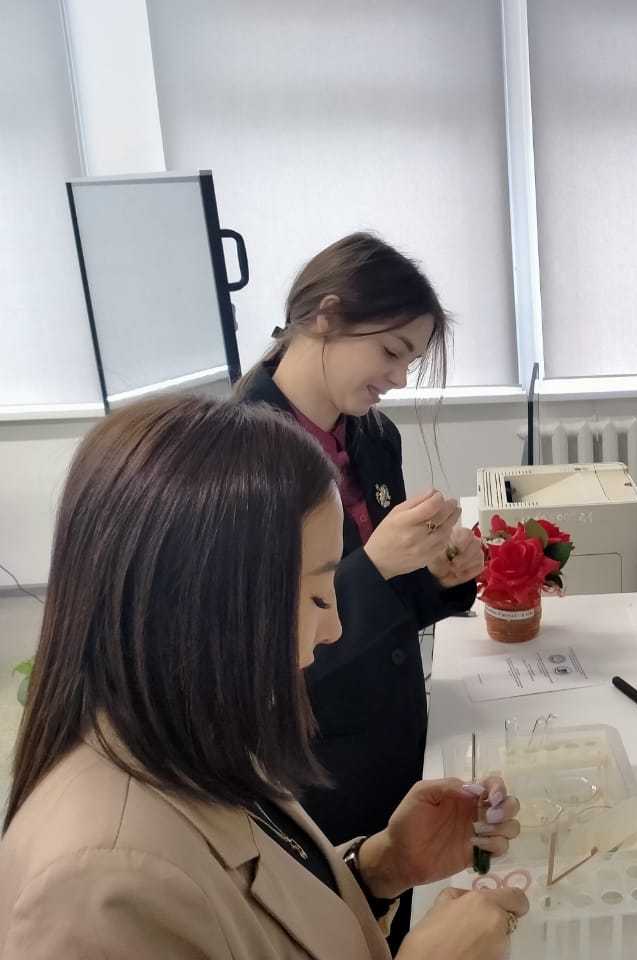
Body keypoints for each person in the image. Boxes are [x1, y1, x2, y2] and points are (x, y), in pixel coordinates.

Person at [0, 395, 525, 960]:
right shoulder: (96, 886)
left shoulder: (190, 735)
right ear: (206, 604)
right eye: (319, 594)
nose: (334, 629)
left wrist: (380, 867)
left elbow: (251, 917)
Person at [236, 233, 484, 947]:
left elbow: (390, 598)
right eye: (391, 352)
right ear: (327, 317)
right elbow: (261, 649)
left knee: (394, 900)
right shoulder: (241, 455)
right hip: (315, 756)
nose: (398, 378)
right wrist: (375, 564)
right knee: (333, 926)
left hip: (393, 722)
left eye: (410, 360)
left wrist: (438, 576)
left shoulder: (372, 436)